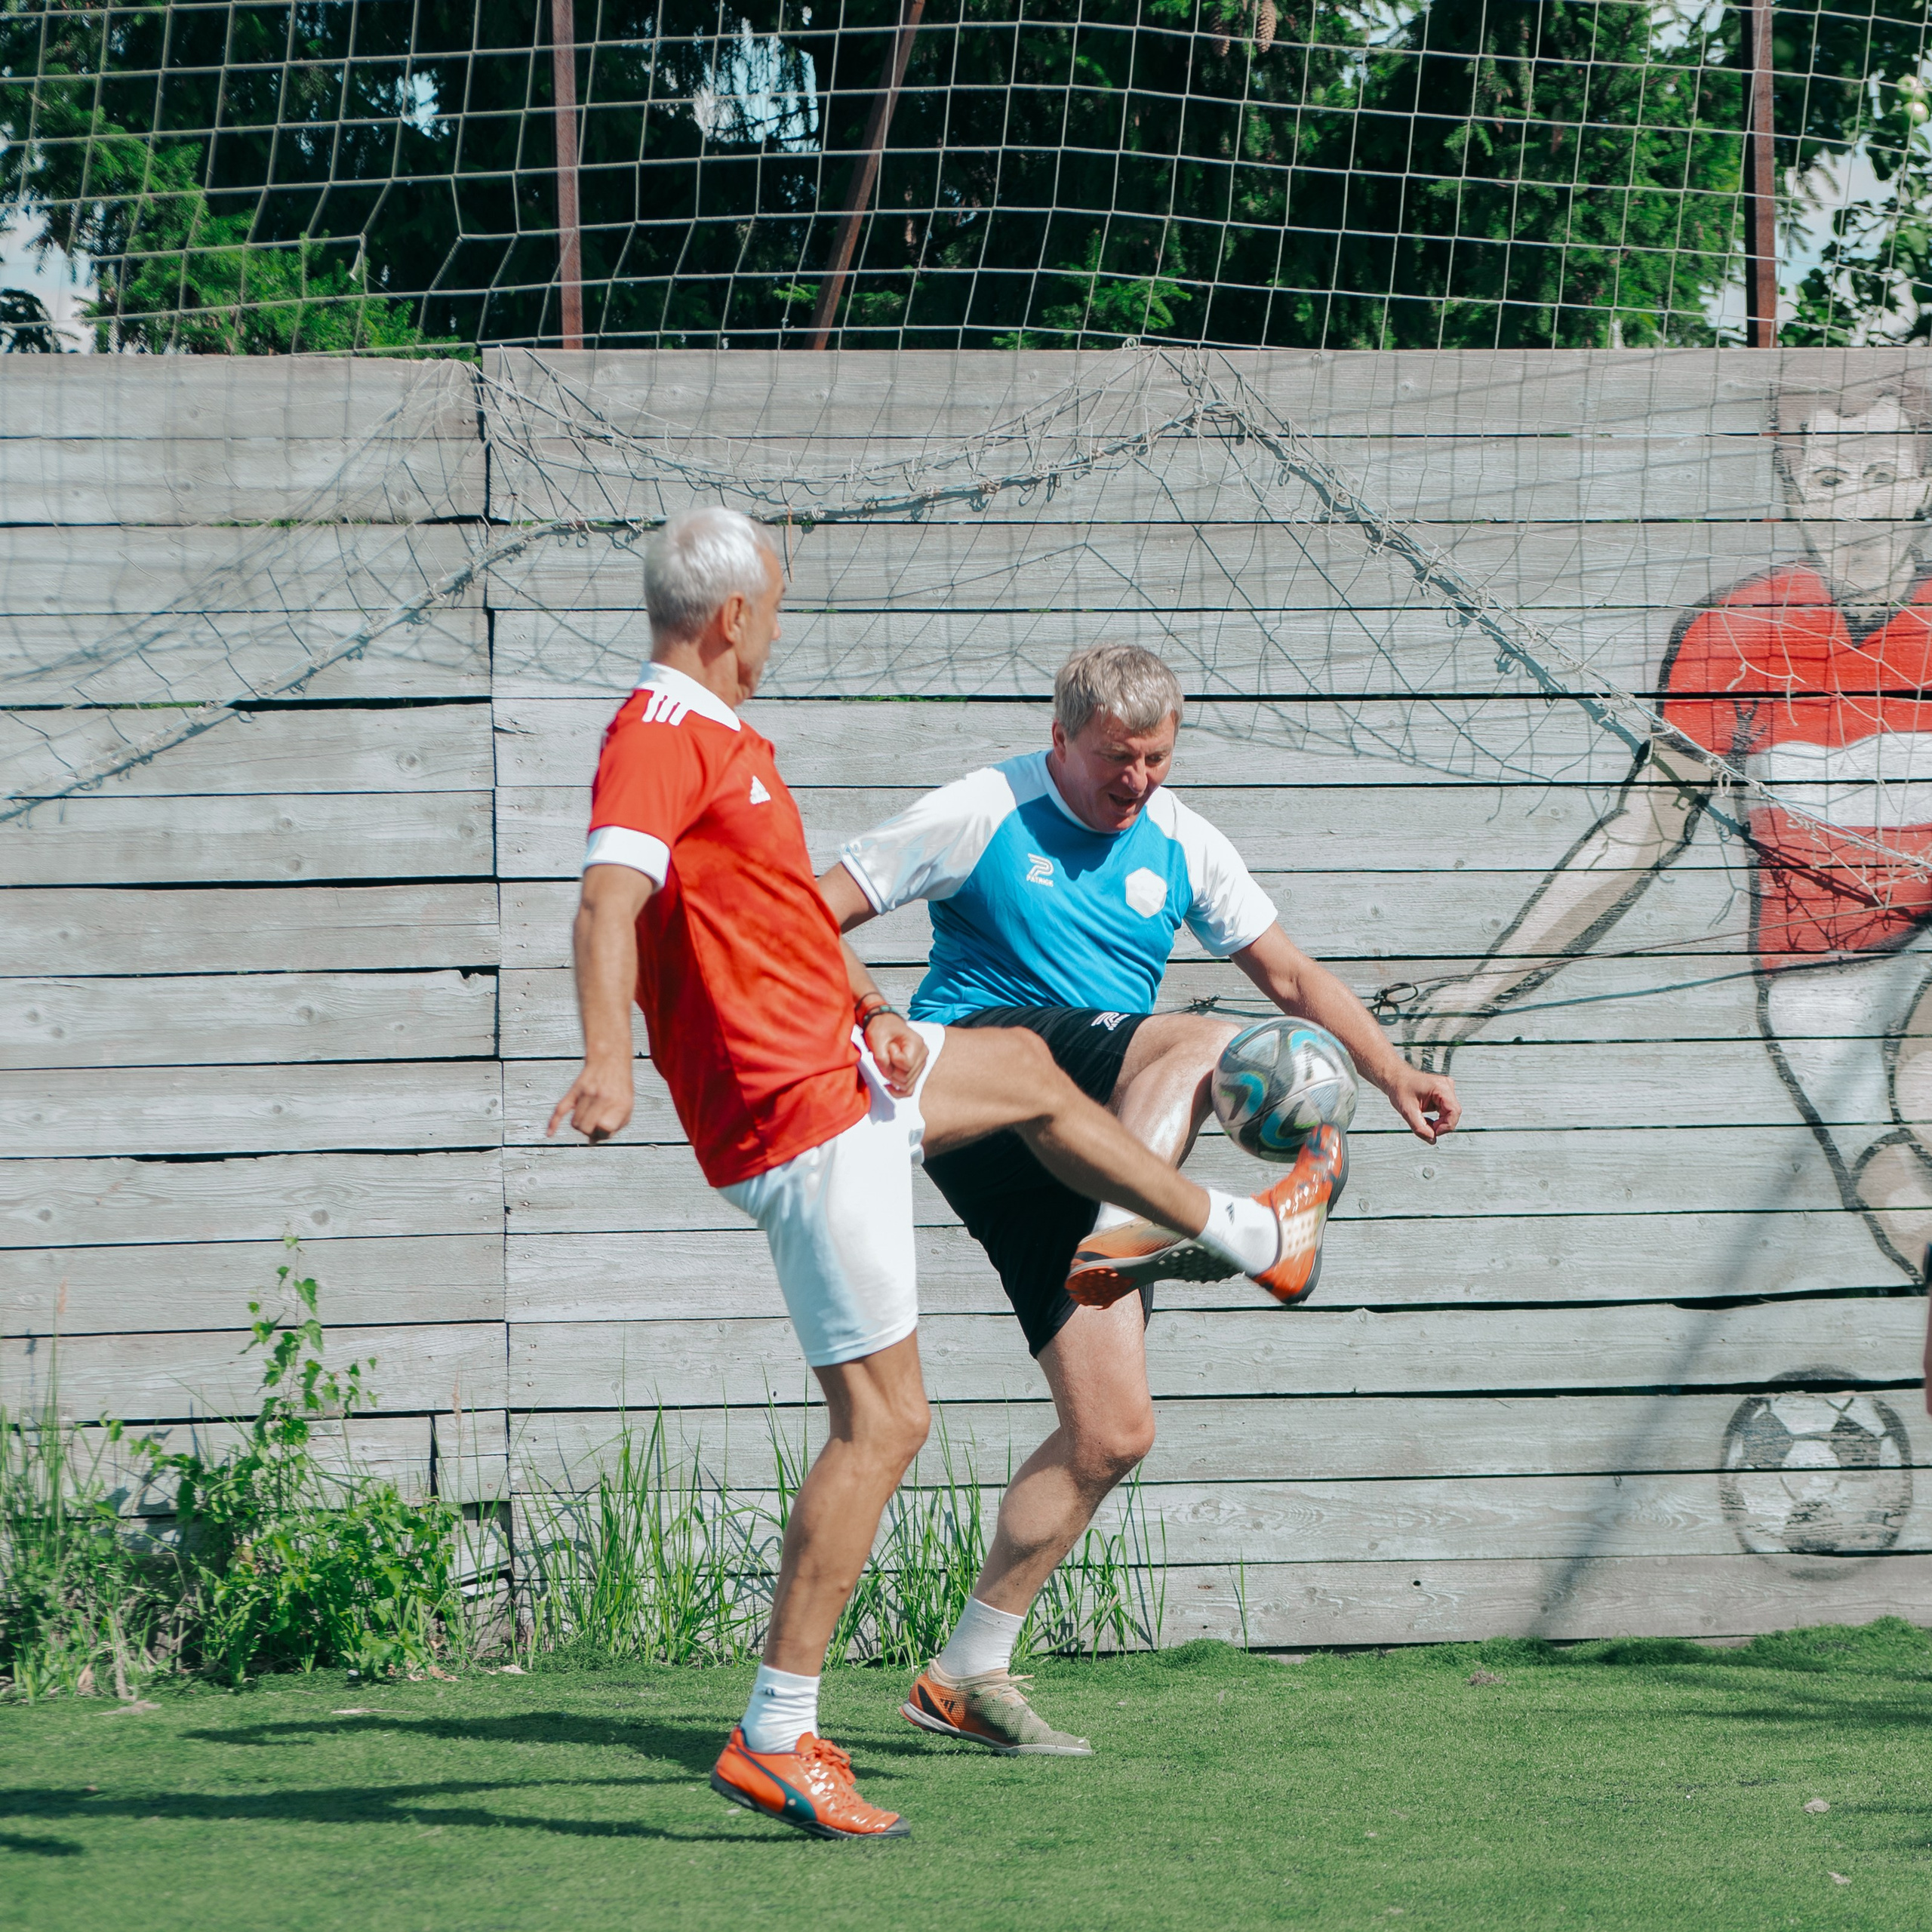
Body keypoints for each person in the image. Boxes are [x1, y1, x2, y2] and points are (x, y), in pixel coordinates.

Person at [547, 511, 1321, 1840]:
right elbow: (608, 898)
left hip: (845, 1065)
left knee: (1021, 1073)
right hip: (794, 1113)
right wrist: (607, 1062)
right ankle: (777, 1734)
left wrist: (865, 1001)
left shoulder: (731, 744)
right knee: (885, 1426)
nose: (778, 630)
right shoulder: (662, 734)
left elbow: (781, 913)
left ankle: (1251, 1230)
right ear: (734, 617)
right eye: (775, 607)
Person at [817, 642, 1460, 1757]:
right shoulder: (982, 808)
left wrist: (1393, 1070)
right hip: (983, 1083)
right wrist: (871, 1006)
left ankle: (966, 1672)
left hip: (1085, 1134)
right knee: (1203, 1036)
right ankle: (1149, 1217)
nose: (1139, 782)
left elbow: (1295, 980)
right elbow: (809, 910)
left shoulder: (1184, 841)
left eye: (1158, 758)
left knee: (1111, 1434)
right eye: (1118, 758)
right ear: (1062, 737)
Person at [1401, 374, 1932, 1417]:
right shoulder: (1738, 632)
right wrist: (1483, 986)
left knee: (1923, 1092)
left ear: (1923, 484)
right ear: (1794, 494)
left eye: (1882, 473)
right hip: (1817, 975)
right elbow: (1641, 830)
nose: (1859, 502)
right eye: (1830, 476)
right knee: (1913, 1220)